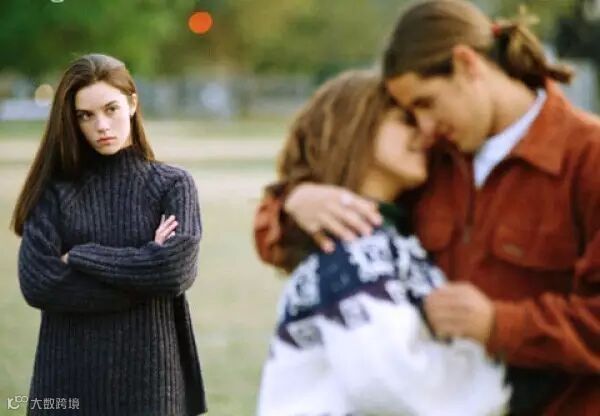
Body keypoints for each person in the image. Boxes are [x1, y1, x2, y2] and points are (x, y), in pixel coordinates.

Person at [254, 1, 600, 415]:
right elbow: (282, 243)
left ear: (467, 65)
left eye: (426, 102)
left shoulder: (589, 159)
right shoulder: (430, 160)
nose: (425, 127)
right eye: (410, 115)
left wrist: (500, 325)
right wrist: (295, 200)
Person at [257, 70, 509, 416]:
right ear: (354, 128)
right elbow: (393, 387)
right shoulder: (349, 250)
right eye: (405, 119)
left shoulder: (389, 239)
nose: (425, 131)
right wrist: (504, 372)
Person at [12, 54, 206, 416]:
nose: (101, 125)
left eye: (111, 109)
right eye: (85, 115)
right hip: (65, 387)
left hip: (151, 386)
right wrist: (145, 270)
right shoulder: (54, 192)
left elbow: (174, 272)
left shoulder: (173, 185)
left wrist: (82, 256)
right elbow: (40, 284)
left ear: (132, 103)